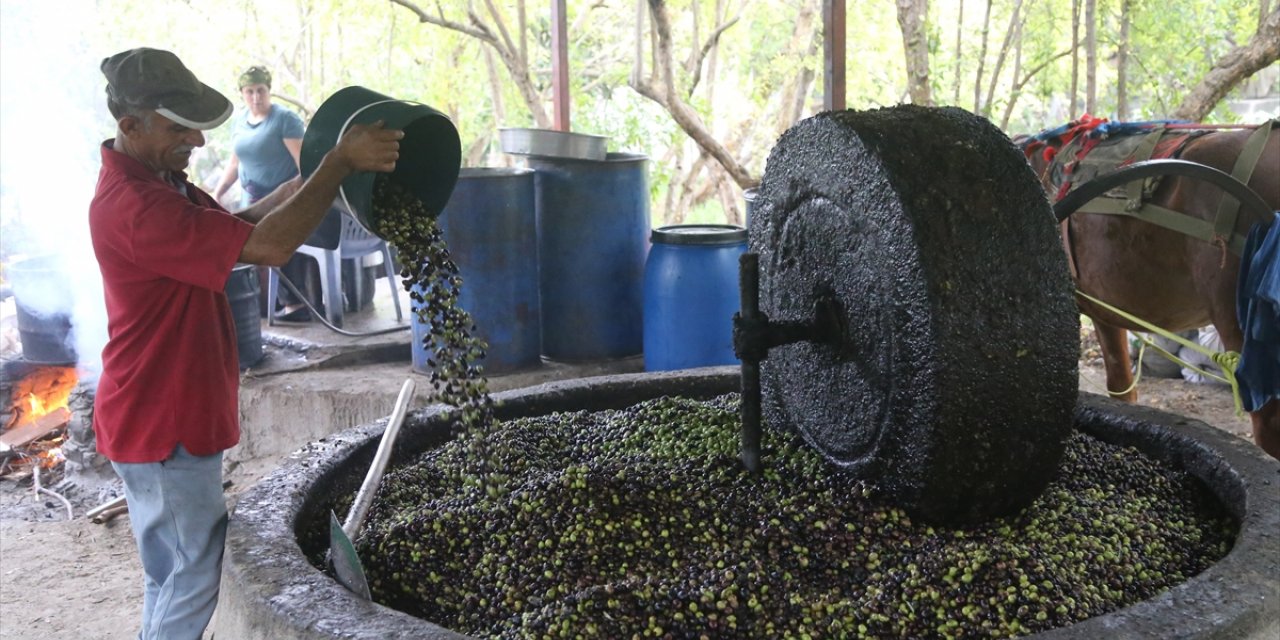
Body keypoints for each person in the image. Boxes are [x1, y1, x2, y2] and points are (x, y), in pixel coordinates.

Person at [89, 47, 402, 640]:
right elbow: (268, 249)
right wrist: (336, 165)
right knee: (191, 577)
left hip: (157, 410)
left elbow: (246, 228)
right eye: (180, 129)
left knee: (171, 573)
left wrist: (314, 178)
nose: (198, 144)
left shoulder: (160, 183)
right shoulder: (137, 208)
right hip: (161, 419)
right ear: (130, 126)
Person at [212, 64, 327, 321]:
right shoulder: (240, 122)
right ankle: (263, 307)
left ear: (269, 91)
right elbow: (235, 162)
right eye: (250, 91)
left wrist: (302, 197)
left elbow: (303, 165)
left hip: (282, 198)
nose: (256, 97)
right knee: (247, 249)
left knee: (279, 246)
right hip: (251, 197)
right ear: (242, 93)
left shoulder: (284, 119)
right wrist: (217, 194)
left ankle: (295, 306)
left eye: (261, 91)